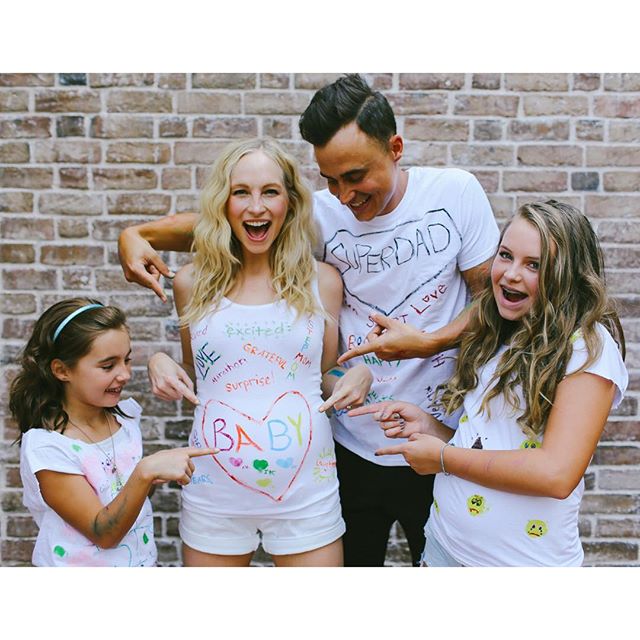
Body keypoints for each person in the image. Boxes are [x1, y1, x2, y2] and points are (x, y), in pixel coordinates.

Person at [117, 74, 499, 566]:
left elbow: (493, 298)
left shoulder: (454, 193)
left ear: (396, 148)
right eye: (330, 179)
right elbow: (232, 220)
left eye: (356, 176)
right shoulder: (319, 212)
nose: (343, 195)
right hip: (348, 445)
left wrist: (428, 342)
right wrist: (136, 232)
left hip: (437, 434)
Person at [350, 200, 628, 566]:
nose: (511, 274)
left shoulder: (588, 348)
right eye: (505, 255)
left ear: (567, 275)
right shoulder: (500, 329)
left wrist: (444, 458)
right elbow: (491, 445)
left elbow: (556, 473)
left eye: (534, 265)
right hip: (443, 548)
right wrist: (433, 430)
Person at [147, 137, 372, 567]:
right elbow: (205, 377)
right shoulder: (191, 283)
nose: (256, 207)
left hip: (308, 495)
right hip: (215, 494)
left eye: (270, 191)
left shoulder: (322, 281)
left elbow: (320, 374)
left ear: (289, 201)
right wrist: (159, 362)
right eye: (241, 192)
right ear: (223, 203)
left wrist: (359, 376)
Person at [10, 297, 216, 567]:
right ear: (62, 370)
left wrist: (158, 358)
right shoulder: (49, 448)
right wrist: (146, 472)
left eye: (127, 360)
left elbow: (126, 498)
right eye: (108, 366)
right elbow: (103, 533)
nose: (125, 374)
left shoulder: (125, 420)